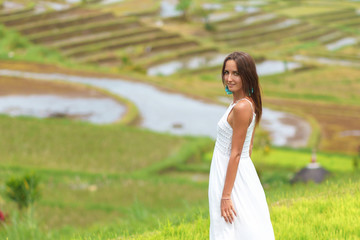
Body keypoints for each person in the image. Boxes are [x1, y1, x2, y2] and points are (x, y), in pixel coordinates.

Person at [208, 51, 275, 239]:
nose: (229, 78)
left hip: (230, 176)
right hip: (233, 174)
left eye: (235, 73)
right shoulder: (240, 102)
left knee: (231, 227)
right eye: (226, 72)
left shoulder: (242, 107)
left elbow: (237, 153)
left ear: (246, 75)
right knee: (239, 226)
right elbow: (249, 146)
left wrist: (227, 195)